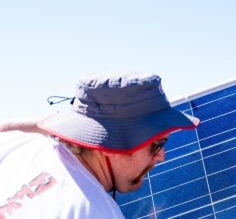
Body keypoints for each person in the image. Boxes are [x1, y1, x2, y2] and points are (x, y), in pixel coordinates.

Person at [0, 72, 200, 218]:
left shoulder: (21, 147)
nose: (161, 156)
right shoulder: (94, 212)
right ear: (111, 143)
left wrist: (64, 126)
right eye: (157, 144)